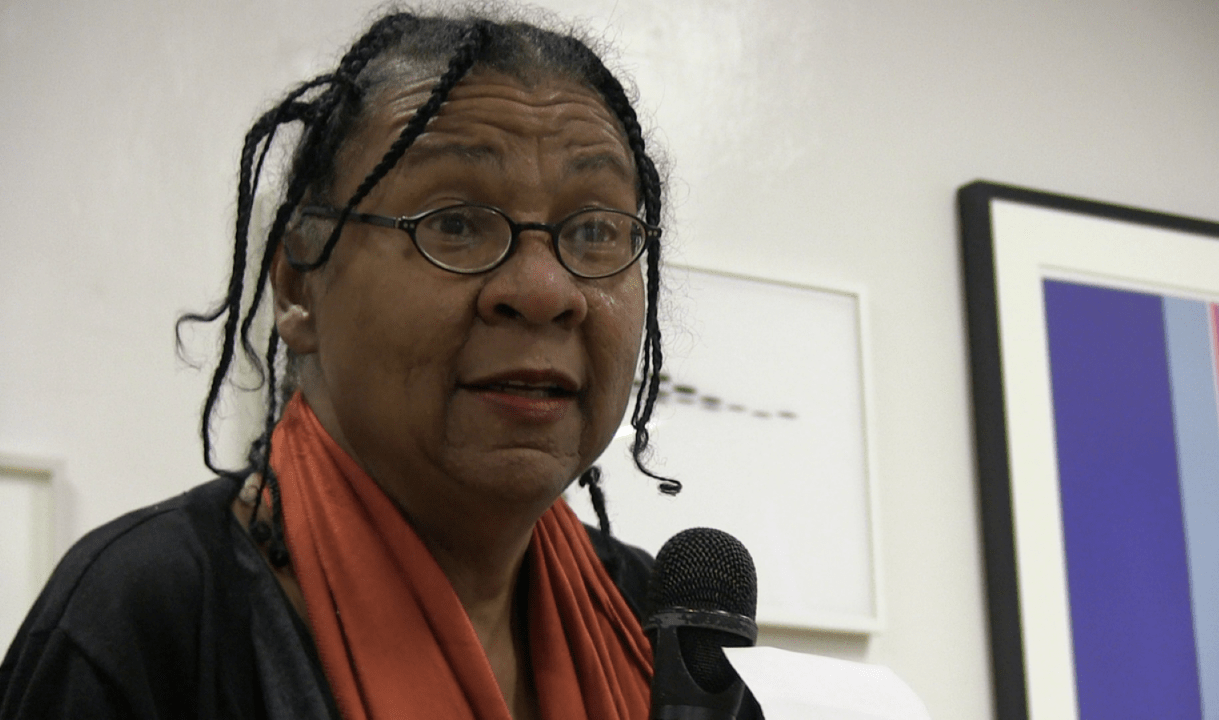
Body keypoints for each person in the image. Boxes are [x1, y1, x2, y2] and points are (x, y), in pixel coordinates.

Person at [0, 8, 770, 719]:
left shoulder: (652, 624)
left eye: (595, 230)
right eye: (457, 222)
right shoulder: (150, 618)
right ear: (299, 284)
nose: (544, 291)